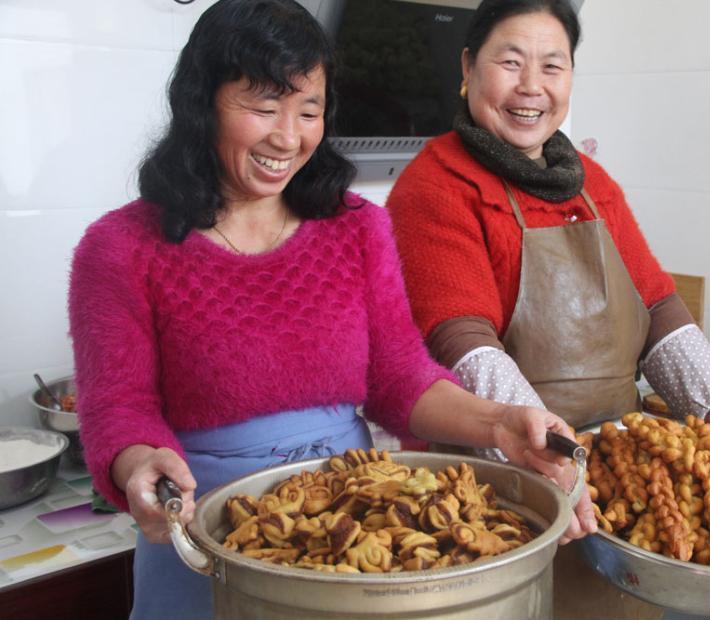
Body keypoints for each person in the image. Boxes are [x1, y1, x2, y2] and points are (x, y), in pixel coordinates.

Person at [67, 1, 595, 618]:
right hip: (204, 538)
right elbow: (118, 408)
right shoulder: (121, 249)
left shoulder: (356, 229)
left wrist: (500, 423)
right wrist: (138, 464)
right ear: (201, 102)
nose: (287, 137)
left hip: (347, 522)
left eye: (309, 110)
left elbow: (400, 377)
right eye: (263, 107)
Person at [385, 0, 710, 617]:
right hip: (501, 493)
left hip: (615, 484)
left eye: (553, 66)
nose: (531, 88)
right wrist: (548, 459)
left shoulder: (592, 185)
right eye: (510, 63)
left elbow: (658, 311)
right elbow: (461, 340)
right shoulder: (434, 186)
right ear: (468, 67)